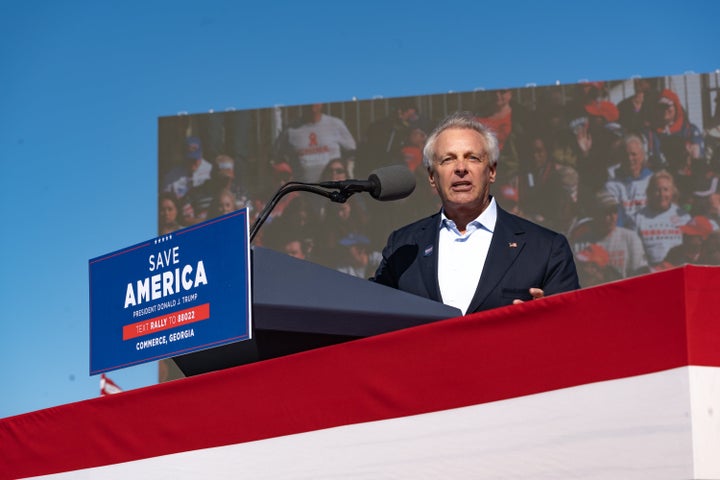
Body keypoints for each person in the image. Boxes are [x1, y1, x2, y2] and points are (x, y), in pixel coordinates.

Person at [371, 112, 579, 315]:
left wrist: (550, 321)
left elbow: (574, 331)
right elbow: (370, 315)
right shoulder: (403, 246)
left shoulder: (546, 249)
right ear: (432, 176)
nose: (461, 168)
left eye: (472, 158)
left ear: (492, 171)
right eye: (448, 159)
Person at [568, 190, 649, 279]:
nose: (612, 216)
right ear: (595, 214)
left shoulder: (631, 238)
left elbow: (639, 272)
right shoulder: (580, 244)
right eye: (606, 212)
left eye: (614, 211)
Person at [273, 103, 357, 183]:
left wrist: (344, 173)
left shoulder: (336, 124)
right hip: (304, 190)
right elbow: (277, 157)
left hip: (331, 189)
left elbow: (352, 152)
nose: (312, 104)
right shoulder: (290, 130)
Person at [634, 170, 691, 268]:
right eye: (657, 190)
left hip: (678, 267)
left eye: (666, 190)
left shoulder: (683, 216)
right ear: (650, 192)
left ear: (672, 192)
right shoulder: (638, 218)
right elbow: (635, 254)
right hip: (650, 271)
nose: (661, 194)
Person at [604, 134, 654, 230]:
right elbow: (615, 220)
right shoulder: (612, 186)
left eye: (633, 154)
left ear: (642, 156)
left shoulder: (653, 181)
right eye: (625, 155)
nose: (629, 158)